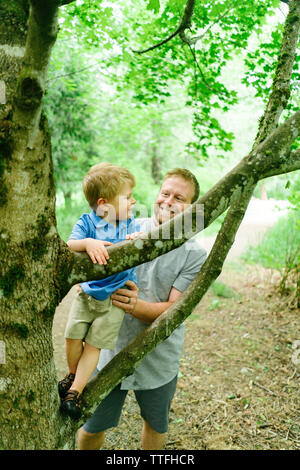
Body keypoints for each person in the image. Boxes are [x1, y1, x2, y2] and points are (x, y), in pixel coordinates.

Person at [77, 168, 207, 450]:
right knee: (90, 427)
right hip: (109, 349)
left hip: (158, 357)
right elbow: (93, 256)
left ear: (192, 208)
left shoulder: (194, 254)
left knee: (155, 424)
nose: (168, 201)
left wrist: (136, 306)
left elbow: (176, 309)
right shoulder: (127, 228)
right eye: (165, 193)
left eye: (179, 198)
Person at [59, 162, 141, 420]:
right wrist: (88, 242)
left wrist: (134, 241)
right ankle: (73, 375)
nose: (134, 201)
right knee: (73, 336)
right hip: (87, 294)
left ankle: (75, 392)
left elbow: (139, 241)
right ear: (104, 204)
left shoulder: (130, 224)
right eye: (127, 197)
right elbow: (70, 244)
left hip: (114, 300)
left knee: (93, 345)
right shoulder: (87, 222)